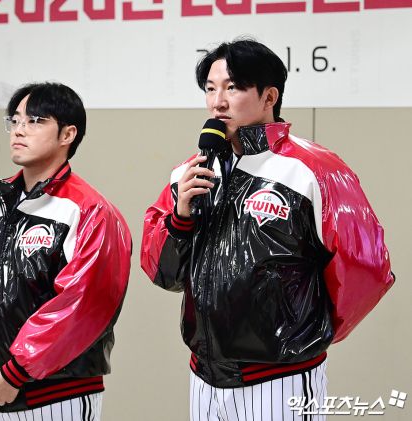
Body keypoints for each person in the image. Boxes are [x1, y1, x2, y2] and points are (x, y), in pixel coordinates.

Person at [140, 39, 394, 421]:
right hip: (203, 378)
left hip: (282, 380)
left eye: (233, 88)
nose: (217, 102)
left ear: (269, 96)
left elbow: (367, 267)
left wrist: (307, 332)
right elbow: (164, 273)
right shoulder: (190, 174)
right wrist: (180, 218)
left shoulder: (314, 170)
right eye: (210, 89)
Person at [0, 82, 132, 420]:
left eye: (35, 121)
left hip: (58, 397)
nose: (19, 130)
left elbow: (84, 304)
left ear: (68, 134)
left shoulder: (90, 212)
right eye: (15, 120)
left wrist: (16, 372)